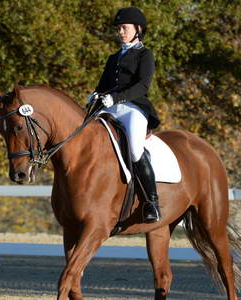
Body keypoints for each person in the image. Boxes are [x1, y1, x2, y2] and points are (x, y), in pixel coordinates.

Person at [87, 7, 161, 223]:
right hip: (109, 107)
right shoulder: (113, 58)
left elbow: (143, 86)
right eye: (118, 28)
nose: (120, 32)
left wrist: (116, 98)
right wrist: (95, 96)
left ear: (138, 29)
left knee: (136, 150)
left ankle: (152, 203)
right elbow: (102, 86)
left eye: (124, 28)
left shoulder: (145, 55)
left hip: (133, 108)